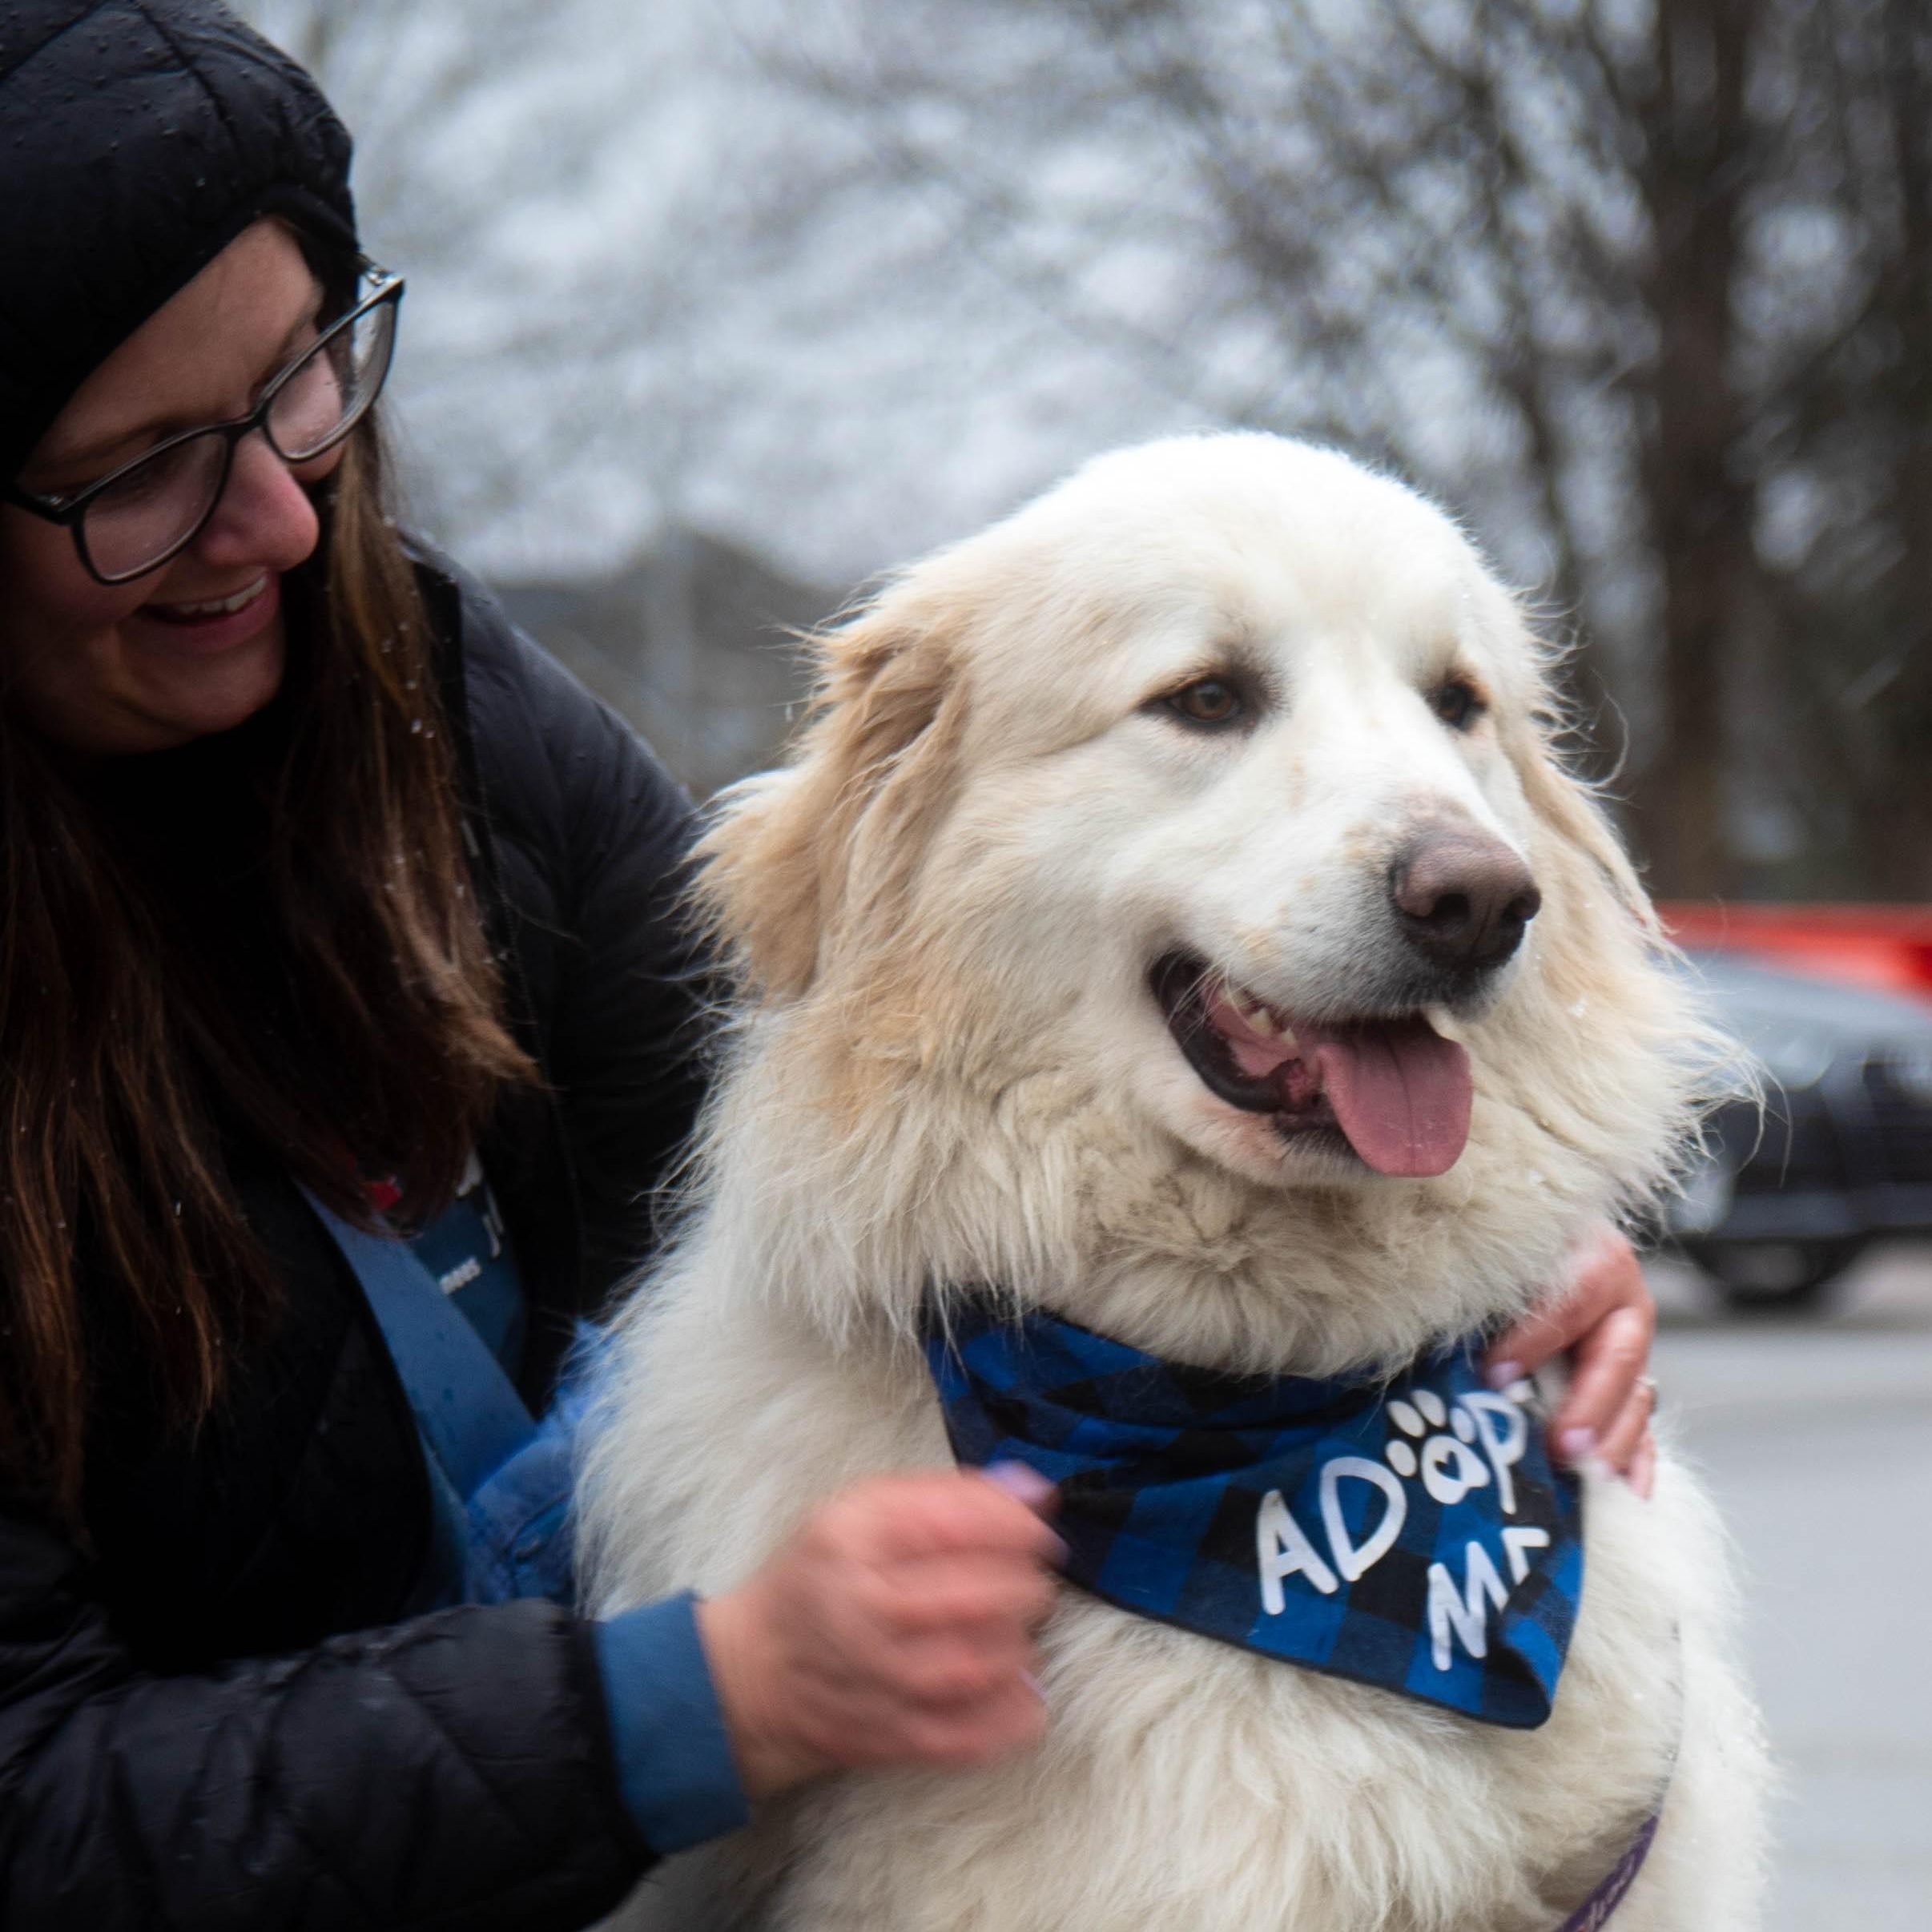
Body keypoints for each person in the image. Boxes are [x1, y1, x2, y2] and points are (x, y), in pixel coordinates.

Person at [0, 4, 1662, 1927]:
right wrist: (681, 1706)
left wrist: (1474, 1250)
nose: (284, 520)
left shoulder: (425, 700)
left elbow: (862, 1077)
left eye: (303, 387)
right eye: (143, 472)